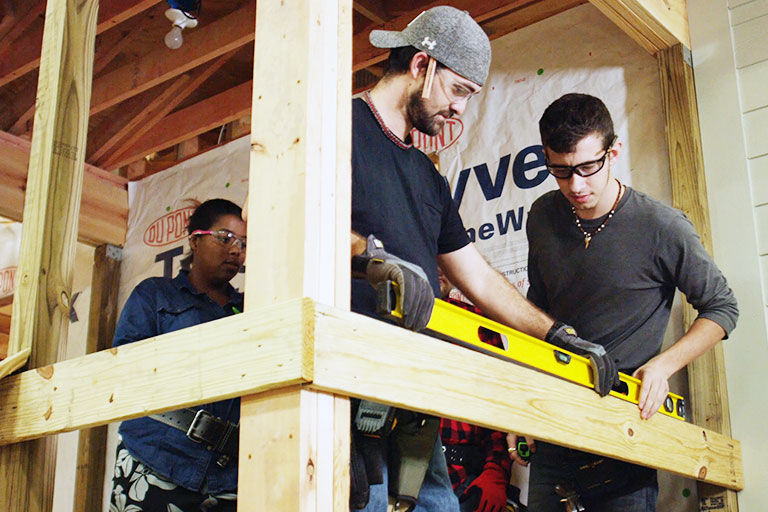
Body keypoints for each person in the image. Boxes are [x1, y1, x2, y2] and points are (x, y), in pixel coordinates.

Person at [349, 7, 616, 512]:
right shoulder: (339, 126)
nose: (460, 111)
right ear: (421, 65)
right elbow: (273, 208)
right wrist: (368, 257)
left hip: (413, 392)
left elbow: (479, 278)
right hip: (346, 380)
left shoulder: (426, 175)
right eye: (458, 90)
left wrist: (559, 335)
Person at [507, 93, 739, 511]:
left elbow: (722, 308)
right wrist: (522, 399)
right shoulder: (542, 216)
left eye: (586, 168)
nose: (575, 186)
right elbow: (534, 313)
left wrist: (663, 365)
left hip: (623, 428)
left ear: (613, 151)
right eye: (559, 171)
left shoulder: (661, 225)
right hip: (553, 421)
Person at [110, 199, 246, 512]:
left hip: (230, 476)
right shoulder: (154, 294)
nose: (235, 249)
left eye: (243, 242)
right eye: (224, 237)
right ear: (195, 240)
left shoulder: (253, 308)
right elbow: (125, 370)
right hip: (157, 457)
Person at [437, 270, 513, 512]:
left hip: (469, 484)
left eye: (444, 259)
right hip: (397, 477)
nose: (439, 267)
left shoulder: (476, 323)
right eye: (431, 254)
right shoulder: (384, 317)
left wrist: (495, 474)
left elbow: (500, 409)